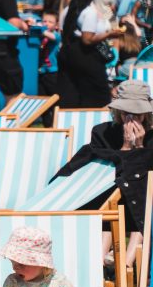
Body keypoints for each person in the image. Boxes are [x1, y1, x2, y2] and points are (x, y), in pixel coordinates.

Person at [53, 79, 153, 269]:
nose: (131, 119)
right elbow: (99, 169)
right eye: (126, 113)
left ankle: (125, 263)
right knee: (109, 203)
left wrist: (139, 147)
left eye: (137, 114)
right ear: (117, 111)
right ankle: (99, 265)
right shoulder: (102, 132)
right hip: (107, 197)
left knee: (143, 201)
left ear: (146, 112)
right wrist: (125, 147)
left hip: (144, 198)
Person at [58, 0, 122, 108]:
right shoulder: (89, 11)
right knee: (97, 93)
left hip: (67, 53)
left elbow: (62, 31)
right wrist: (109, 34)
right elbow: (87, 39)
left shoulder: (67, 11)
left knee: (72, 92)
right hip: (86, 55)